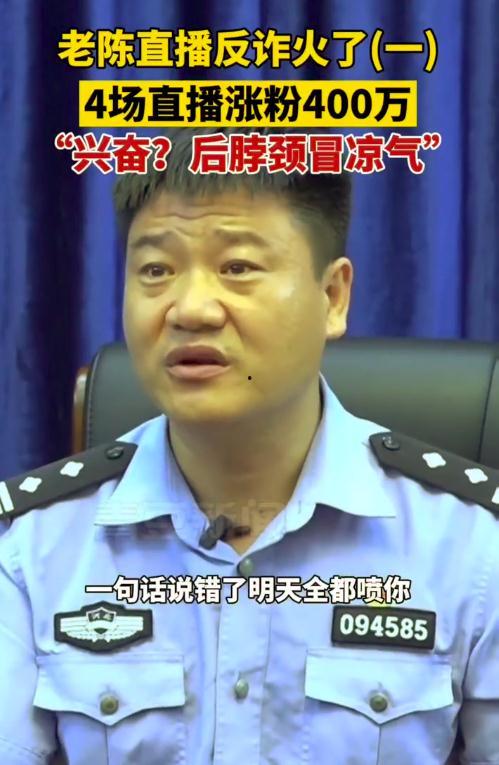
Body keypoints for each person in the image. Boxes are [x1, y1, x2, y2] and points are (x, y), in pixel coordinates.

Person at [0, 127, 497, 765]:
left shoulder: (472, 546)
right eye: (156, 270)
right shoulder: (32, 548)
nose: (190, 309)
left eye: (237, 268)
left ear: (332, 298)